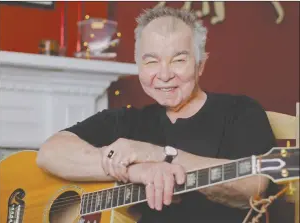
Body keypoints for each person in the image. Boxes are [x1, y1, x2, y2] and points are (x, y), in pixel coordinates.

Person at [37, 7, 277, 223]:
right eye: (151, 62)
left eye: (178, 60)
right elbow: (49, 152)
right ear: (139, 66)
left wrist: (157, 155)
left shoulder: (240, 111)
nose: (163, 75)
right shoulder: (124, 120)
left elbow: (255, 185)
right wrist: (136, 171)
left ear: (200, 64)